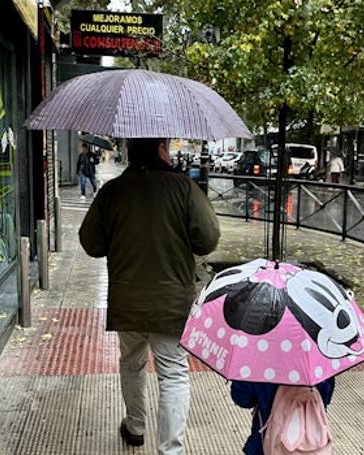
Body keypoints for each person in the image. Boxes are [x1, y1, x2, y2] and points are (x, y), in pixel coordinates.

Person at [78, 138, 220, 455]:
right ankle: (171, 450)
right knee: (173, 374)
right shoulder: (183, 188)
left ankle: (135, 425)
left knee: (131, 363)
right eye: (166, 147)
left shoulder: (113, 191)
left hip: (127, 300)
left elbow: (91, 243)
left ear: (130, 150)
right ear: (160, 149)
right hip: (171, 302)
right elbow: (207, 239)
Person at [231, 379, 336, 455]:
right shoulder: (319, 358)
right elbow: (326, 398)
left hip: (263, 444)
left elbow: (242, 398)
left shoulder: (262, 359)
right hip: (313, 443)